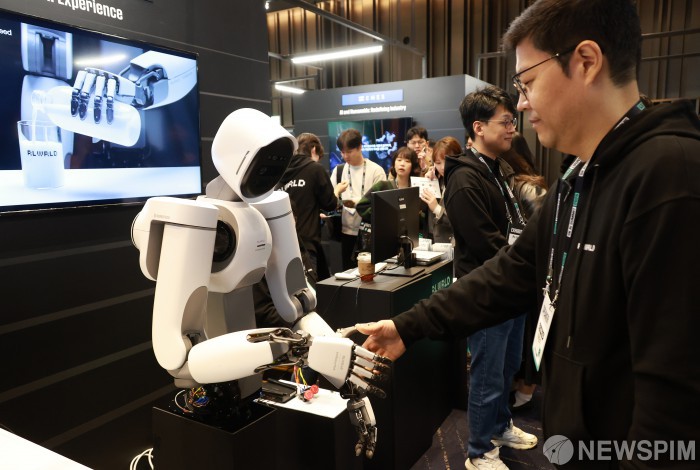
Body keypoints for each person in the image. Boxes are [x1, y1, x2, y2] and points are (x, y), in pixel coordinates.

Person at [357, 1, 700, 469]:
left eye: (528, 82)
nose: (521, 105)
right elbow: (510, 272)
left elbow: (673, 411)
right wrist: (407, 326)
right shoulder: (579, 177)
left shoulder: (670, 176)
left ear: (586, 61)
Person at [437, 85, 535, 470]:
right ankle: (478, 452)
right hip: (487, 291)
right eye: (505, 122)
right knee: (487, 374)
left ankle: (499, 426)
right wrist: (521, 264)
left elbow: (512, 227)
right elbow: (484, 242)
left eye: (513, 121)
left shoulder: (498, 169)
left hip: (510, 287)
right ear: (478, 127)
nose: (513, 128)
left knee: (507, 368)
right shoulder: (465, 179)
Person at [499, 132, 548, 412]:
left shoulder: (526, 186)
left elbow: (544, 230)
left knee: (529, 334)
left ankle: (527, 386)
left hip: (531, 272)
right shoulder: (507, 184)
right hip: (520, 269)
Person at [277, 132, 347, 280]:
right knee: (308, 288)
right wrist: (337, 191)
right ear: (314, 150)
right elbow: (330, 204)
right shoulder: (315, 169)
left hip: (283, 242)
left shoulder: (281, 171)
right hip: (307, 243)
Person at [330, 129, 386, 270]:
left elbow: (381, 204)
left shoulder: (376, 171)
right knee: (348, 273)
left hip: (369, 232)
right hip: (346, 233)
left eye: (349, 152)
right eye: (342, 152)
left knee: (370, 273)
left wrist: (358, 202)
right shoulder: (338, 171)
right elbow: (330, 199)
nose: (345, 156)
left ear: (360, 147)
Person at [421, 136, 460, 243]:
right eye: (438, 163)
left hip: (454, 244)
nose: (443, 167)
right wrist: (429, 183)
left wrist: (437, 208)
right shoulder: (438, 178)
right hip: (433, 240)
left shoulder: (461, 182)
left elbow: (461, 221)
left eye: (447, 161)